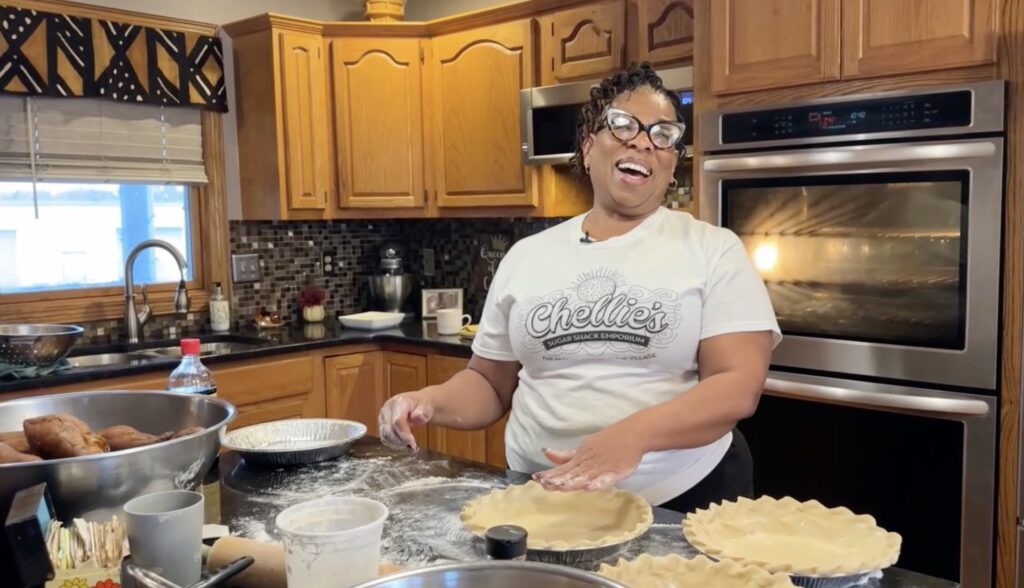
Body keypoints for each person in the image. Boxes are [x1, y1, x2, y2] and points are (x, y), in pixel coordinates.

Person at [379, 63, 780, 513]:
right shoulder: (527, 257)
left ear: (671, 166)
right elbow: (489, 386)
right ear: (588, 148)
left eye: (663, 134)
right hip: (544, 500)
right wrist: (426, 400)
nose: (643, 141)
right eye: (623, 125)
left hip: (679, 499)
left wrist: (633, 436)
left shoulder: (712, 250)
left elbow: (736, 385)